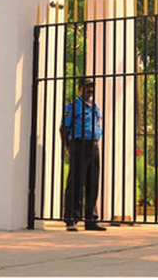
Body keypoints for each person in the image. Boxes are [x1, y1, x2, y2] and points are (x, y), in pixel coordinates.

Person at [60, 77, 105, 231]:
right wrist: (68, 147)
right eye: (87, 87)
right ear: (79, 89)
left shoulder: (95, 108)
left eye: (92, 87)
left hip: (93, 147)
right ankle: (71, 219)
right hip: (78, 145)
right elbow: (63, 128)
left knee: (93, 183)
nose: (90, 90)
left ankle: (90, 220)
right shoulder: (73, 106)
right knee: (76, 182)